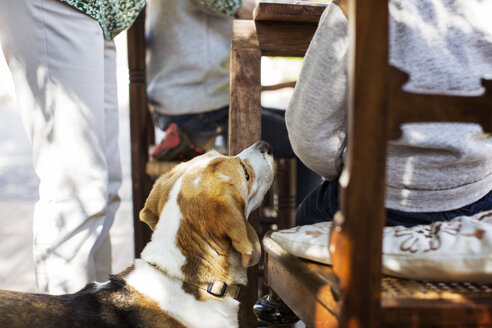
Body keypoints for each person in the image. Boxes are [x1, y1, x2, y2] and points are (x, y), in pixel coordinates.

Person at [286, 0, 492, 227]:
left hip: (377, 202)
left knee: (307, 214)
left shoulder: (354, 6)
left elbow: (309, 137)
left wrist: (343, 174)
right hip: (480, 204)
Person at [0, 0, 145, 294]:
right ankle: (62, 318)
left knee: (105, 188)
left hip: (99, 14)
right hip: (59, 5)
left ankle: (96, 316)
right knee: (75, 191)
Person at [146, 0, 321, 203]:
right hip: (201, 112)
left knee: (302, 122)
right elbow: (250, 9)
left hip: (191, 107)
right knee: (308, 137)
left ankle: (286, 219)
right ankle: (304, 227)